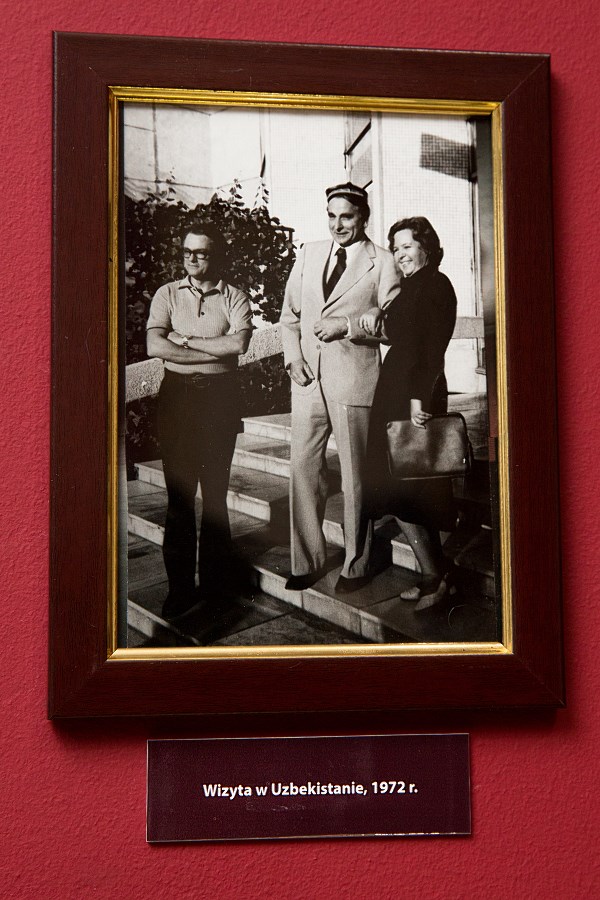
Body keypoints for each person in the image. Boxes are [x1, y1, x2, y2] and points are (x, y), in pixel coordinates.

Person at [279, 182, 401, 594]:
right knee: (302, 468)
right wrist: (293, 358)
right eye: (331, 216)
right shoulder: (309, 254)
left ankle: (356, 562)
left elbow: (393, 326)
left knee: (355, 476)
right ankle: (306, 560)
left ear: (363, 217)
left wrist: (347, 326)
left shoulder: (382, 262)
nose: (337, 224)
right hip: (307, 379)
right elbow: (289, 318)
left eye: (346, 216)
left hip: (354, 380)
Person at [146, 223, 252, 619]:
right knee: (179, 500)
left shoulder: (235, 297)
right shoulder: (167, 294)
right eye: (187, 251)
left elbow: (238, 344)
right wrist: (211, 352)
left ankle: (214, 584)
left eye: (201, 252)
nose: (192, 258)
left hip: (219, 402)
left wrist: (184, 341)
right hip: (177, 401)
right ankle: (179, 590)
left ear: (216, 255)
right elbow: (155, 345)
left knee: (215, 497)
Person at [360, 216, 457, 612]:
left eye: (407, 246)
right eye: (396, 248)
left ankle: (436, 577)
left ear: (426, 246)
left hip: (414, 398)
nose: (400, 254)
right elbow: (400, 333)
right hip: (396, 392)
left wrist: (420, 401)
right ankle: (435, 573)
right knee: (401, 491)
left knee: (409, 491)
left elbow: (433, 348)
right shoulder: (411, 286)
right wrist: (375, 315)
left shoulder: (436, 284)